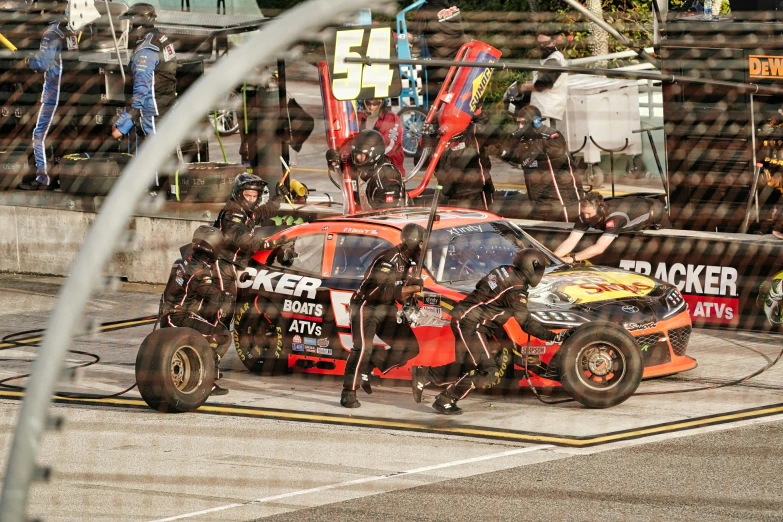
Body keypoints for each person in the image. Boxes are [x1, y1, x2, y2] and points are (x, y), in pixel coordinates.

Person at [411, 249, 568, 415]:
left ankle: (423, 374)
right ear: (531, 268)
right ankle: (447, 399)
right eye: (538, 270)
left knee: (468, 364)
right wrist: (553, 336)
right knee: (489, 371)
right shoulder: (516, 291)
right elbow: (526, 323)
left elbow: (481, 287)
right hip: (471, 324)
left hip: (467, 318)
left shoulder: (503, 270)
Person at [341, 223, 426, 409]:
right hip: (366, 306)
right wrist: (410, 288)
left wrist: (412, 288)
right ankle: (348, 392)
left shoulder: (409, 261)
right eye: (421, 244)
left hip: (386, 308)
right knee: (362, 349)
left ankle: (367, 367)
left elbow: (399, 289)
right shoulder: (388, 260)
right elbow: (376, 292)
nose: (423, 249)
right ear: (413, 243)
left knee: (409, 347)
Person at [159, 226, 232, 395]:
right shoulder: (200, 271)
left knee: (207, 326)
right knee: (223, 336)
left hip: (169, 313)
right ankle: (208, 379)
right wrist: (228, 296)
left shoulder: (184, 259)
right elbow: (215, 298)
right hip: (177, 318)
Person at [213, 173, 290, 329]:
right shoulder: (233, 213)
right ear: (238, 193)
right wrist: (269, 244)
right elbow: (241, 239)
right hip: (222, 263)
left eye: (254, 196)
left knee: (228, 308)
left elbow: (262, 213)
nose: (251, 199)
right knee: (224, 308)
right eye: (247, 195)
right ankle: (212, 340)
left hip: (232, 264)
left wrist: (278, 198)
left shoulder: (246, 211)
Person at [112, 3, 177, 174]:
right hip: (165, 103)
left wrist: (123, 123)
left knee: (153, 152)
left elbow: (142, 88)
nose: (129, 28)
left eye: (131, 23)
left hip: (152, 109)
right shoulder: (161, 37)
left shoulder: (146, 49)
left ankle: (154, 189)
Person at [19, 6, 79, 190]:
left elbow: (43, 62)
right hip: (70, 92)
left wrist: (29, 61)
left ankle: (43, 179)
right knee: (66, 135)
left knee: (39, 136)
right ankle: (65, 179)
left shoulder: (51, 33)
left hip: (55, 92)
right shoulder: (70, 30)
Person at [500, 105, 584, 221]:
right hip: (538, 201)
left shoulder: (552, 136)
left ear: (534, 122)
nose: (519, 126)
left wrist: (531, 141)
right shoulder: (525, 140)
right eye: (518, 123)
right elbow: (512, 155)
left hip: (561, 201)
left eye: (523, 123)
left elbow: (556, 149)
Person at [554, 192, 671, 264]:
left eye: (589, 214)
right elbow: (570, 241)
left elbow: (599, 248)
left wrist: (572, 258)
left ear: (600, 210)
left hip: (655, 213)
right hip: (633, 207)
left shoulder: (615, 217)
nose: (585, 217)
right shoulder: (584, 216)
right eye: (583, 213)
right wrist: (554, 258)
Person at [421, 108, 497, 210]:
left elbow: (493, 133)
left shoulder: (472, 132)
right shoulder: (437, 139)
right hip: (452, 195)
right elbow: (423, 164)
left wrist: (479, 114)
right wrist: (426, 136)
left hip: (477, 194)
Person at [326, 129, 407, 210]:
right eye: (356, 154)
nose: (358, 158)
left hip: (387, 218)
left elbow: (387, 216)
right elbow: (340, 166)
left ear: (374, 154)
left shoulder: (387, 179)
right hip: (367, 216)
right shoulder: (361, 165)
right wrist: (334, 160)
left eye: (362, 155)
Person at [409, 0, 467, 102]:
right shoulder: (452, 3)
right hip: (463, 55)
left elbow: (411, 35)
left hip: (443, 60)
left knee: (422, 76)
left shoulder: (426, 9)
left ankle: (434, 109)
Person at [514, 31, 568, 128]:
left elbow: (542, 85)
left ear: (554, 42)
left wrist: (525, 87)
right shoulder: (548, 59)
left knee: (545, 139)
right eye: (540, 44)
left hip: (546, 109)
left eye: (546, 43)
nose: (543, 46)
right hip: (543, 108)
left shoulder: (553, 61)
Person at [358, 98, 405, 176]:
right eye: (368, 103)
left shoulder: (391, 118)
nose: (372, 107)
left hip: (388, 169)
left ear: (382, 103)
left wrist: (369, 157)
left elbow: (390, 145)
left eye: (376, 104)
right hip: (363, 168)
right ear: (363, 103)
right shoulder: (359, 117)